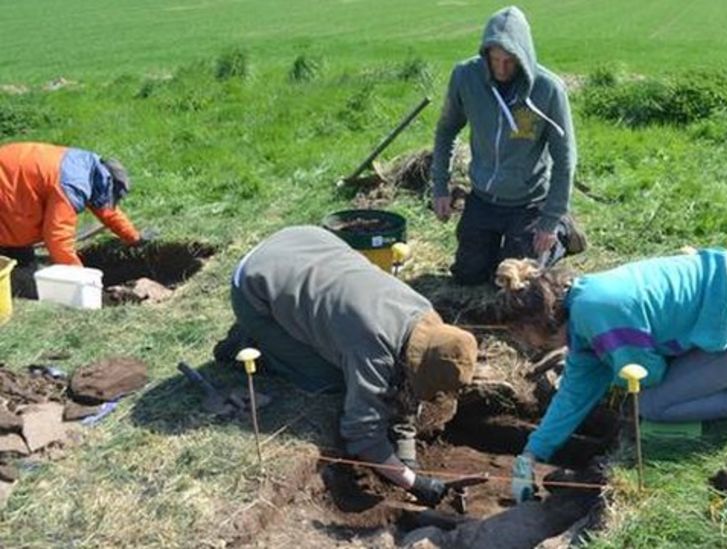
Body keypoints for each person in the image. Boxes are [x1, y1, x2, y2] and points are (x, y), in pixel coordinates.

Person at [494, 250, 727, 503]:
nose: (528, 347)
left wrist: (618, 374)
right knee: (664, 381)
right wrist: (531, 454)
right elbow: (575, 392)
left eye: (525, 339)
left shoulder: (599, 316)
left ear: (538, 324)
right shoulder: (585, 298)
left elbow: (649, 374)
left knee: (653, 403)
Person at [213, 226, 478, 507]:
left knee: (340, 354)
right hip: (253, 284)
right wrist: (415, 483)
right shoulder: (372, 351)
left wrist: (407, 454)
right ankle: (250, 340)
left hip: (302, 240)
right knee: (328, 379)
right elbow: (362, 435)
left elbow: (407, 382)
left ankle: (284, 320)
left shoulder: (424, 313)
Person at [431, 5, 585, 286]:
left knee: (516, 281)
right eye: (495, 59)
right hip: (483, 198)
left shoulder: (548, 90)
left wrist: (549, 219)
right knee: (469, 275)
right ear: (485, 54)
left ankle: (563, 233)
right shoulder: (466, 77)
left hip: (528, 202)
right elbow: (446, 131)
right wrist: (440, 186)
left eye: (509, 61)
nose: (501, 69)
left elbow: (565, 159)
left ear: (522, 56)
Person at [0, 142, 150, 297]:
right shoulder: (72, 185)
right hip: (8, 191)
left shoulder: (90, 170)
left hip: (14, 188)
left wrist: (134, 237)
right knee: (24, 279)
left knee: (24, 263)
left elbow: (108, 211)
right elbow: (57, 238)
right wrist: (81, 279)